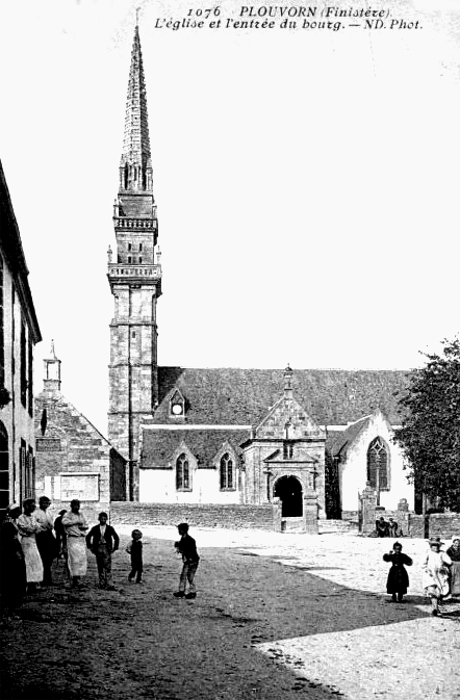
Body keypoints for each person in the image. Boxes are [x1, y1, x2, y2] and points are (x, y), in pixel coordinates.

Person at [0, 503, 27, 617]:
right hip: (11, 554)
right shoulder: (8, 524)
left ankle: (13, 606)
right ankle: (10, 607)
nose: (19, 513)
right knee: (12, 579)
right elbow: (8, 540)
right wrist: (16, 552)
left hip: (15, 550)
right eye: (17, 511)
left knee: (17, 578)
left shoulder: (12, 522)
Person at [86, 512, 119, 590]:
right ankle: (101, 583)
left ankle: (108, 583)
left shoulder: (110, 528)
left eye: (104, 519)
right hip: (98, 548)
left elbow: (116, 537)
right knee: (100, 566)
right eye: (101, 519)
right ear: (99, 519)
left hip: (107, 548)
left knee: (107, 566)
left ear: (106, 519)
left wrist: (115, 548)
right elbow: (88, 537)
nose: (103, 520)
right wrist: (90, 547)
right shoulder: (95, 528)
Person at [17, 498, 44, 593]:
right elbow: (26, 529)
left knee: (36, 561)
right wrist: (34, 528)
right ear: (26, 506)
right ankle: (28, 584)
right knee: (28, 562)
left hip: (33, 541)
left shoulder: (33, 517)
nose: (33, 508)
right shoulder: (21, 518)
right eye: (31, 506)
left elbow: (39, 529)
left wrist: (34, 528)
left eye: (34, 506)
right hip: (26, 542)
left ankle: (35, 583)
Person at [61, 499, 89, 589]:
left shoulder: (81, 515)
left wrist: (82, 526)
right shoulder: (67, 515)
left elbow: (85, 524)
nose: (76, 507)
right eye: (75, 505)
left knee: (81, 560)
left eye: (78, 505)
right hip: (72, 539)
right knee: (73, 560)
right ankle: (70, 580)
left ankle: (78, 580)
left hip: (81, 539)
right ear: (71, 506)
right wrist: (75, 523)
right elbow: (64, 522)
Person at [422, 538, 452, 616]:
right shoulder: (428, 553)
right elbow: (423, 564)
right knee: (432, 591)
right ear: (430, 546)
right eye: (433, 546)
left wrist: (443, 567)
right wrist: (427, 570)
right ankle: (435, 609)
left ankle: (436, 607)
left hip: (440, 574)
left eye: (437, 546)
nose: (435, 547)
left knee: (439, 592)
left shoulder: (442, 553)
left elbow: (449, 561)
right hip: (430, 574)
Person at [35, 496, 58, 586]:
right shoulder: (36, 512)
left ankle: (48, 579)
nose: (45, 505)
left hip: (48, 535)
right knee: (41, 557)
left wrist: (49, 526)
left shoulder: (49, 513)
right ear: (40, 503)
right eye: (43, 503)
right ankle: (42, 579)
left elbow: (51, 524)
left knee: (49, 558)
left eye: (47, 503)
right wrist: (42, 526)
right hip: (40, 537)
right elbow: (36, 524)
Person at [173, 523, 200, 600]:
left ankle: (191, 592)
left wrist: (180, 548)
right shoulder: (187, 539)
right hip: (189, 560)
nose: (178, 531)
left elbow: (190, 551)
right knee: (184, 576)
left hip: (191, 561)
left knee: (189, 576)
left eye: (179, 530)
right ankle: (184, 591)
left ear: (183, 530)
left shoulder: (189, 540)